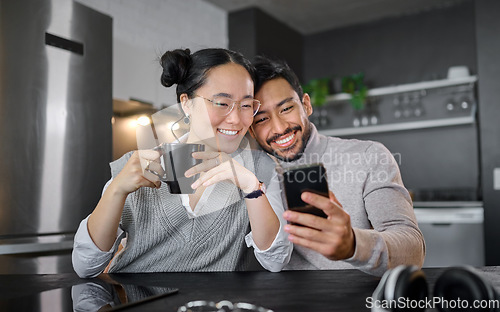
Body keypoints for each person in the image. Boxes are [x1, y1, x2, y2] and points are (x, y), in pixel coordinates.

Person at [72, 48, 292, 277]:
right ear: (186, 103)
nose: (236, 119)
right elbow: (85, 266)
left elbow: (275, 261)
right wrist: (117, 190)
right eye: (221, 103)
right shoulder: (137, 166)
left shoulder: (260, 170)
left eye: (246, 105)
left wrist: (250, 187)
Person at [248, 55, 425, 276]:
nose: (279, 127)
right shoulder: (253, 176)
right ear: (251, 130)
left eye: (286, 109)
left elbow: (413, 251)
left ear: (306, 105)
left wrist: (353, 244)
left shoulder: (370, 155)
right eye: (261, 119)